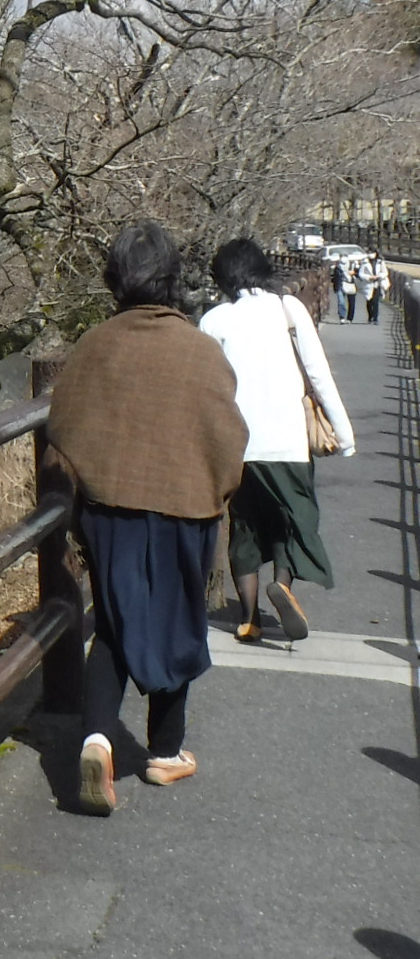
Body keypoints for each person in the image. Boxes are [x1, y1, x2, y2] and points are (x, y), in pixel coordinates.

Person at [47, 221, 247, 816]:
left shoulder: (95, 344)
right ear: (173, 279)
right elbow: (228, 437)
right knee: (177, 619)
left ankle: (97, 740)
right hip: (186, 507)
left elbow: (64, 427)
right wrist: (214, 491)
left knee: (113, 623)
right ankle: (164, 751)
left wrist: (93, 486)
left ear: (116, 280)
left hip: (109, 511)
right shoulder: (200, 350)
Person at [200, 238, 355, 645]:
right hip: (287, 441)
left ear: (223, 277)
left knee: (246, 528)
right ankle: (283, 586)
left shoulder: (214, 320)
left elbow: (206, 386)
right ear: (262, 269)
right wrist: (344, 434)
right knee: (294, 519)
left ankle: (248, 619)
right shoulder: (288, 308)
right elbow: (318, 373)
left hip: (238, 444)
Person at [365, 252, 389, 325]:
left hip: (377, 283)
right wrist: (368, 277)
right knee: (369, 301)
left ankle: (375, 318)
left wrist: (379, 276)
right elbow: (362, 273)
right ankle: (370, 316)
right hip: (368, 283)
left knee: (375, 301)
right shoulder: (365, 261)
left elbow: (385, 272)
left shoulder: (380, 262)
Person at [331, 257, 349, 322]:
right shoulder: (337, 269)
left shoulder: (349, 268)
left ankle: (349, 317)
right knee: (341, 301)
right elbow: (335, 278)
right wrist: (335, 287)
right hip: (340, 286)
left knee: (349, 301)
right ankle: (342, 316)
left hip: (347, 285)